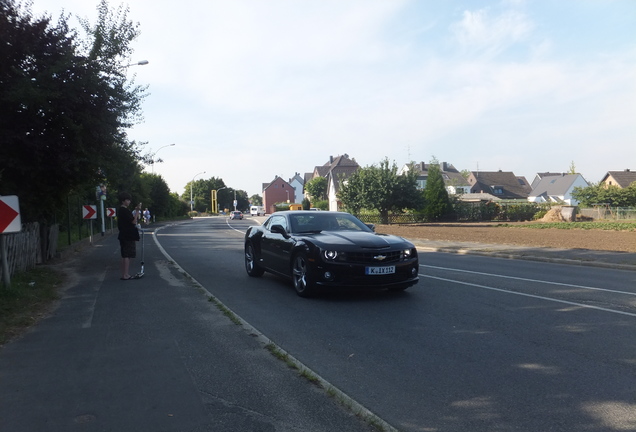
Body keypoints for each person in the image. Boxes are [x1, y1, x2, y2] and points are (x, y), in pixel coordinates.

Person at [117, 192, 141, 280]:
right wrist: (137, 212)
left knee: (125, 255)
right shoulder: (124, 210)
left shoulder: (122, 210)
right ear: (123, 201)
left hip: (124, 234)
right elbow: (133, 221)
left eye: (129, 200)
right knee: (127, 255)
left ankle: (124, 274)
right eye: (127, 200)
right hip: (127, 235)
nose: (129, 202)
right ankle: (125, 274)